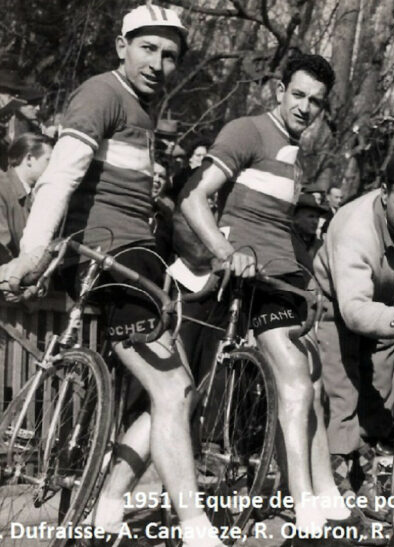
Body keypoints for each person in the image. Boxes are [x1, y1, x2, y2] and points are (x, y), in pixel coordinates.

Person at [0, 6, 226, 547]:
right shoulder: (101, 93)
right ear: (121, 47)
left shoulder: (141, 110)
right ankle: (194, 526)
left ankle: (107, 505)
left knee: (178, 391)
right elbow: (60, 176)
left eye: (169, 55)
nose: (157, 63)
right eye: (147, 48)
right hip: (110, 254)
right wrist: (32, 253)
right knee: (172, 388)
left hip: (134, 254)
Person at [179, 53, 362, 537]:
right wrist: (227, 252)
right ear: (280, 91)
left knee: (313, 381)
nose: (305, 107)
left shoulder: (294, 153)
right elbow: (194, 198)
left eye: (316, 102)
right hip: (248, 276)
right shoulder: (247, 131)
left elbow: (280, 228)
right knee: (295, 379)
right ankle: (304, 503)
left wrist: (308, 278)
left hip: (283, 276)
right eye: (298, 95)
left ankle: (325, 493)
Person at [313, 157, 394, 514]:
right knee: (343, 392)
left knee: (381, 392)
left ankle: (367, 479)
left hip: (387, 304)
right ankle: (336, 485)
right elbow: (354, 311)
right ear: (384, 193)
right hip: (336, 304)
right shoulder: (355, 229)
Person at [0, 132, 53, 264]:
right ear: (29, 159)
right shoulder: (2, 189)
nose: (53, 168)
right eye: (48, 160)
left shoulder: (33, 194)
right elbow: (2, 251)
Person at [291, 192, 326, 275]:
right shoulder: (287, 242)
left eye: (317, 217)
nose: (315, 221)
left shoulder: (321, 247)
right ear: (296, 218)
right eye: (311, 216)